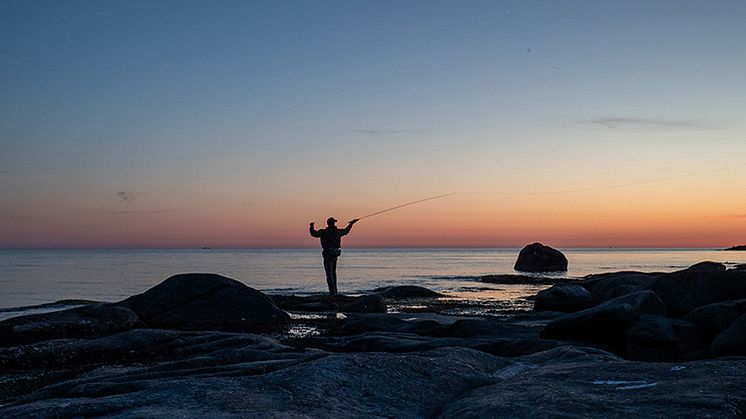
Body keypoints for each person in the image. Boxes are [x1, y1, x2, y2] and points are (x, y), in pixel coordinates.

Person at [309, 217, 358, 296]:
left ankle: (332, 292)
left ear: (328, 224)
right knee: (333, 273)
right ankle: (334, 291)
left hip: (328, 254)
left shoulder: (324, 232)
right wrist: (351, 224)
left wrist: (311, 226)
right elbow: (346, 231)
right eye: (334, 222)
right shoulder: (338, 232)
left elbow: (314, 234)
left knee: (329, 274)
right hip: (335, 254)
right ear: (333, 223)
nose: (335, 223)